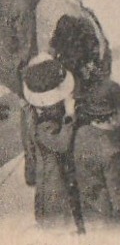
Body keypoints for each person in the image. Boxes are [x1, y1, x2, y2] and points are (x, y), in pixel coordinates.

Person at [0, 0, 46, 182]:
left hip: (4, 66)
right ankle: (35, 169)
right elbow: (28, 50)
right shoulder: (30, 1)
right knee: (33, 116)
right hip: (22, 70)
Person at [72, 77, 120, 230]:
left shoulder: (82, 133)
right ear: (112, 116)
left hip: (90, 211)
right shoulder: (112, 153)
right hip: (112, 223)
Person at [22, 59, 80, 232]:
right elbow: (62, 144)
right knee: (57, 206)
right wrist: (69, 117)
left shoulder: (30, 113)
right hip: (54, 175)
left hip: (44, 170)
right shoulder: (46, 125)